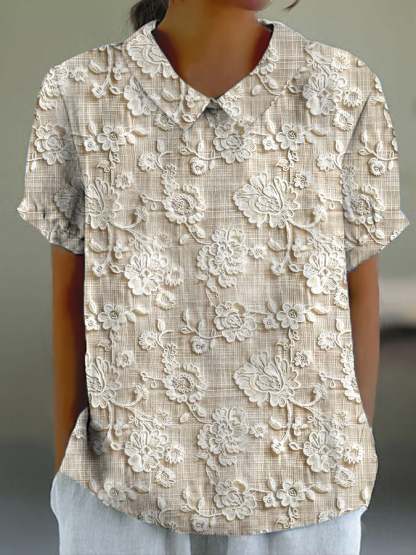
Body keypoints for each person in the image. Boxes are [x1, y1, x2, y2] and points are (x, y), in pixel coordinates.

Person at [16, 0, 411, 554]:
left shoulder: (343, 88)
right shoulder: (80, 91)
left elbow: (358, 290)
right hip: (122, 492)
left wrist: (348, 458)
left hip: (307, 493)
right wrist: (71, 479)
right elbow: (69, 296)